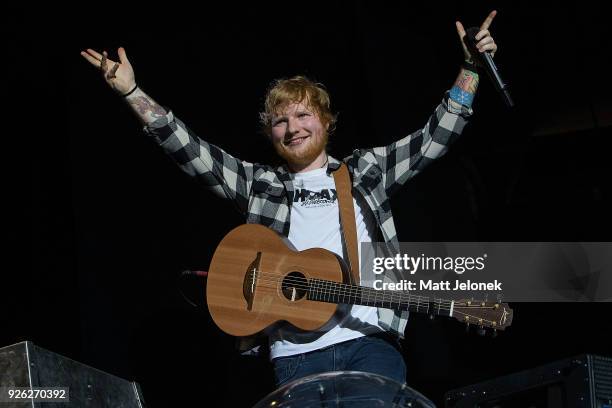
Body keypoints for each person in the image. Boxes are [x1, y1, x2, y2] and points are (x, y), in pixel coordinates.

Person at [81, 11, 499, 391]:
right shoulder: (260, 184)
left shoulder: (366, 170)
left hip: (368, 344)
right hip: (292, 358)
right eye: (281, 121)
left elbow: (437, 135)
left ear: (326, 121)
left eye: (303, 115)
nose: (293, 127)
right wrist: (131, 91)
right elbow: (189, 149)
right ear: (271, 134)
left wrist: (471, 68)